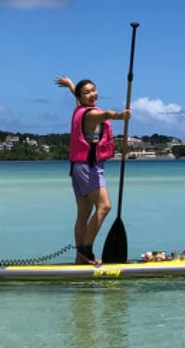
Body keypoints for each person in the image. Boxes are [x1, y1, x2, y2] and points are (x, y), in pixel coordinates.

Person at [55, 75, 130, 265]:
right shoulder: (90, 114)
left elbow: (78, 96)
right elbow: (104, 115)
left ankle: (80, 259)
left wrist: (71, 85)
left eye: (93, 90)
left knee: (84, 212)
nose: (92, 94)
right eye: (87, 92)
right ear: (81, 98)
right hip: (88, 167)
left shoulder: (79, 108)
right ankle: (85, 251)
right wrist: (120, 115)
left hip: (78, 166)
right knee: (105, 207)